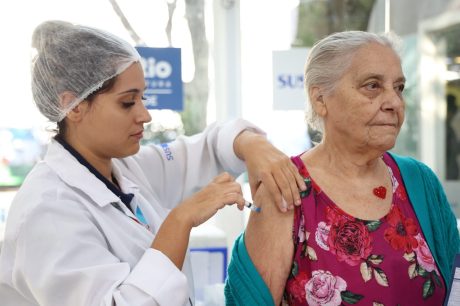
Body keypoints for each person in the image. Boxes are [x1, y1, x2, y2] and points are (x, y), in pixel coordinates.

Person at [0, 20, 307, 306]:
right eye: (127, 102)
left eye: (143, 99)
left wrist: (252, 144)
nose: (144, 115)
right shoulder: (47, 209)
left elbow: (210, 147)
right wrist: (180, 219)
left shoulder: (127, 169)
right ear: (73, 105)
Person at [225, 31, 460, 305]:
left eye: (399, 87)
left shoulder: (419, 181)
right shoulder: (287, 189)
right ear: (321, 99)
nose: (395, 103)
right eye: (372, 86)